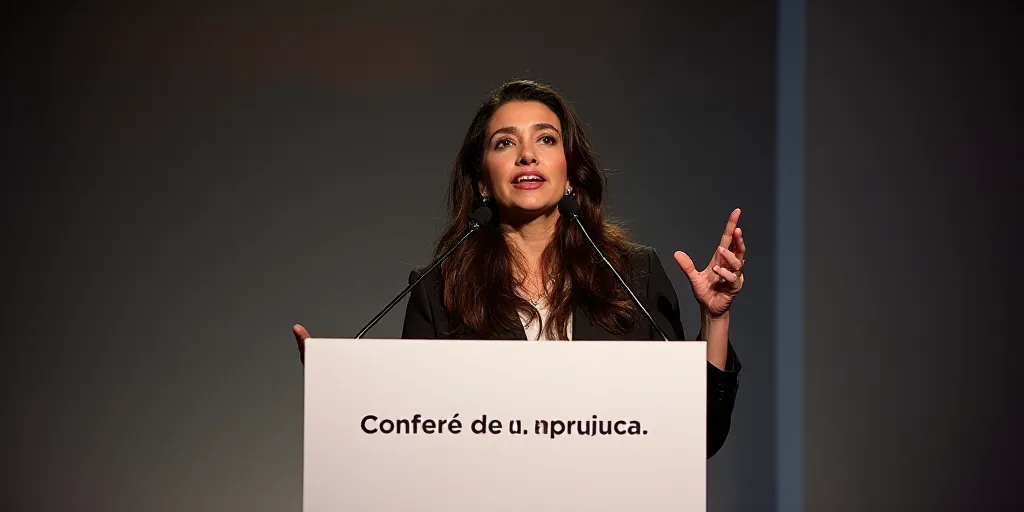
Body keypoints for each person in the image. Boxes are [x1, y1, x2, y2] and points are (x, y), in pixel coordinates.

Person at [293, 79, 745, 459]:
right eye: (505, 142)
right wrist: (337, 393)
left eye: (546, 139)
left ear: (569, 173)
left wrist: (716, 318)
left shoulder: (632, 274)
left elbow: (697, 436)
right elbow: (413, 441)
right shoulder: (440, 290)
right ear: (482, 182)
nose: (527, 155)